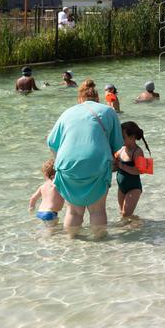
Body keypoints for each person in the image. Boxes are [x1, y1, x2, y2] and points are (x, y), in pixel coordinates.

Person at [47, 81, 124, 237]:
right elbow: (117, 145)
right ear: (97, 98)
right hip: (96, 162)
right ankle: (99, 243)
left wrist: (59, 164)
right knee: (97, 210)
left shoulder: (67, 112)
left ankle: (73, 243)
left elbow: (51, 143)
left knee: (74, 211)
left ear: (79, 98)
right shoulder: (108, 112)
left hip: (66, 164)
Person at [115, 121, 151, 219]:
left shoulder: (137, 151)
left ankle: (138, 224)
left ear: (133, 137)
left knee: (126, 214)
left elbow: (141, 170)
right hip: (121, 187)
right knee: (122, 213)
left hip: (134, 187)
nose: (120, 139)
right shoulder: (121, 150)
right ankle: (129, 230)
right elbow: (115, 166)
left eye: (123, 137)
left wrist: (122, 166)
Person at [29, 158, 66, 223]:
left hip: (40, 212)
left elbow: (33, 198)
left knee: (45, 229)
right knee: (51, 232)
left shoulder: (42, 186)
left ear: (45, 174)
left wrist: (31, 209)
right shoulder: (57, 184)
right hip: (50, 213)